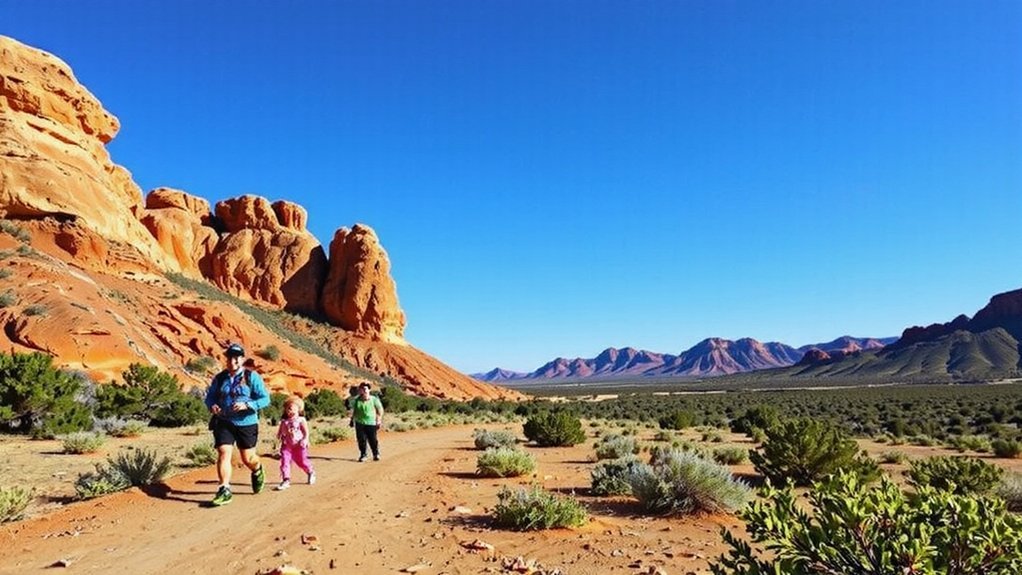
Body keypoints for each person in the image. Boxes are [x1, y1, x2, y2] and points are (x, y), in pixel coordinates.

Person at [204, 343, 270, 506]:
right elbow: (210, 396)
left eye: (236, 358)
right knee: (223, 452)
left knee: (248, 458)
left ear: (241, 359)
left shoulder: (251, 377)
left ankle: (257, 469)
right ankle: (224, 489)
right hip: (224, 421)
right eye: (230, 358)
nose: (232, 361)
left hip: (246, 422)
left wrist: (248, 405)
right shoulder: (220, 378)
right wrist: (212, 405)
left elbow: (265, 399)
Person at [275, 396, 315, 490]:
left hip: (299, 445)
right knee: (285, 461)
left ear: (298, 408)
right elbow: (280, 433)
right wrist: (279, 437)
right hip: (287, 445)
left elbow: (306, 432)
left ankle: (310, 471)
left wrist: (305, 439)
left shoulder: (301, 420)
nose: (288, 411)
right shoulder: (284, 422)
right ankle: (286, 480)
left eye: (290, 408)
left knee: (301, 461)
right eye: (287, 409)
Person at [348, 381, 384, 462]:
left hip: (371, 423)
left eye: (365, 389)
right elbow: (354, 411)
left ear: (369, 390)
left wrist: (379, 420)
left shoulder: (374, 399)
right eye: (361, 389)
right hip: (359, 423)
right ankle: (363, 455)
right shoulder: (357, 400)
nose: (363, 391)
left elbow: (380, 410)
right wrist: (351, 420)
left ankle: (376, 453)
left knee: (373, 439)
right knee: (361, 440)